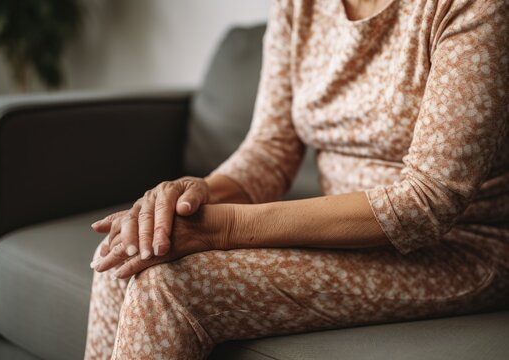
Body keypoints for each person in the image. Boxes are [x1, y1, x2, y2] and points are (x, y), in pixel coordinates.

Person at [84, 0, 509, 358]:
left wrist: (224, 227)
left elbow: (426, 202)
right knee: (125, 251)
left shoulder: (470, 6)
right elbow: (271, 151)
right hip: (340, 236)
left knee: (170, 286)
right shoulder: (300, 5)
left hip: (462, 244)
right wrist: (195, 195)